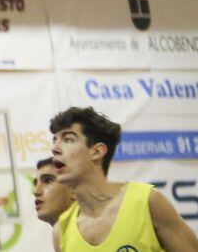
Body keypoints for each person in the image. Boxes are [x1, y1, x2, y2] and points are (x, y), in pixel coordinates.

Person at [49, 107, 198, 251]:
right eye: (54, 140)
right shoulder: (61, 232)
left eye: (68, 139)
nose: (55, 148)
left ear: (96, 151)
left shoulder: (147, 201)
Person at [34, 157, 75, 226]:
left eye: (47, 181)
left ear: (74, 189)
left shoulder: (96, 233)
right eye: (35, 184)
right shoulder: (59, 235)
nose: (36, 192)